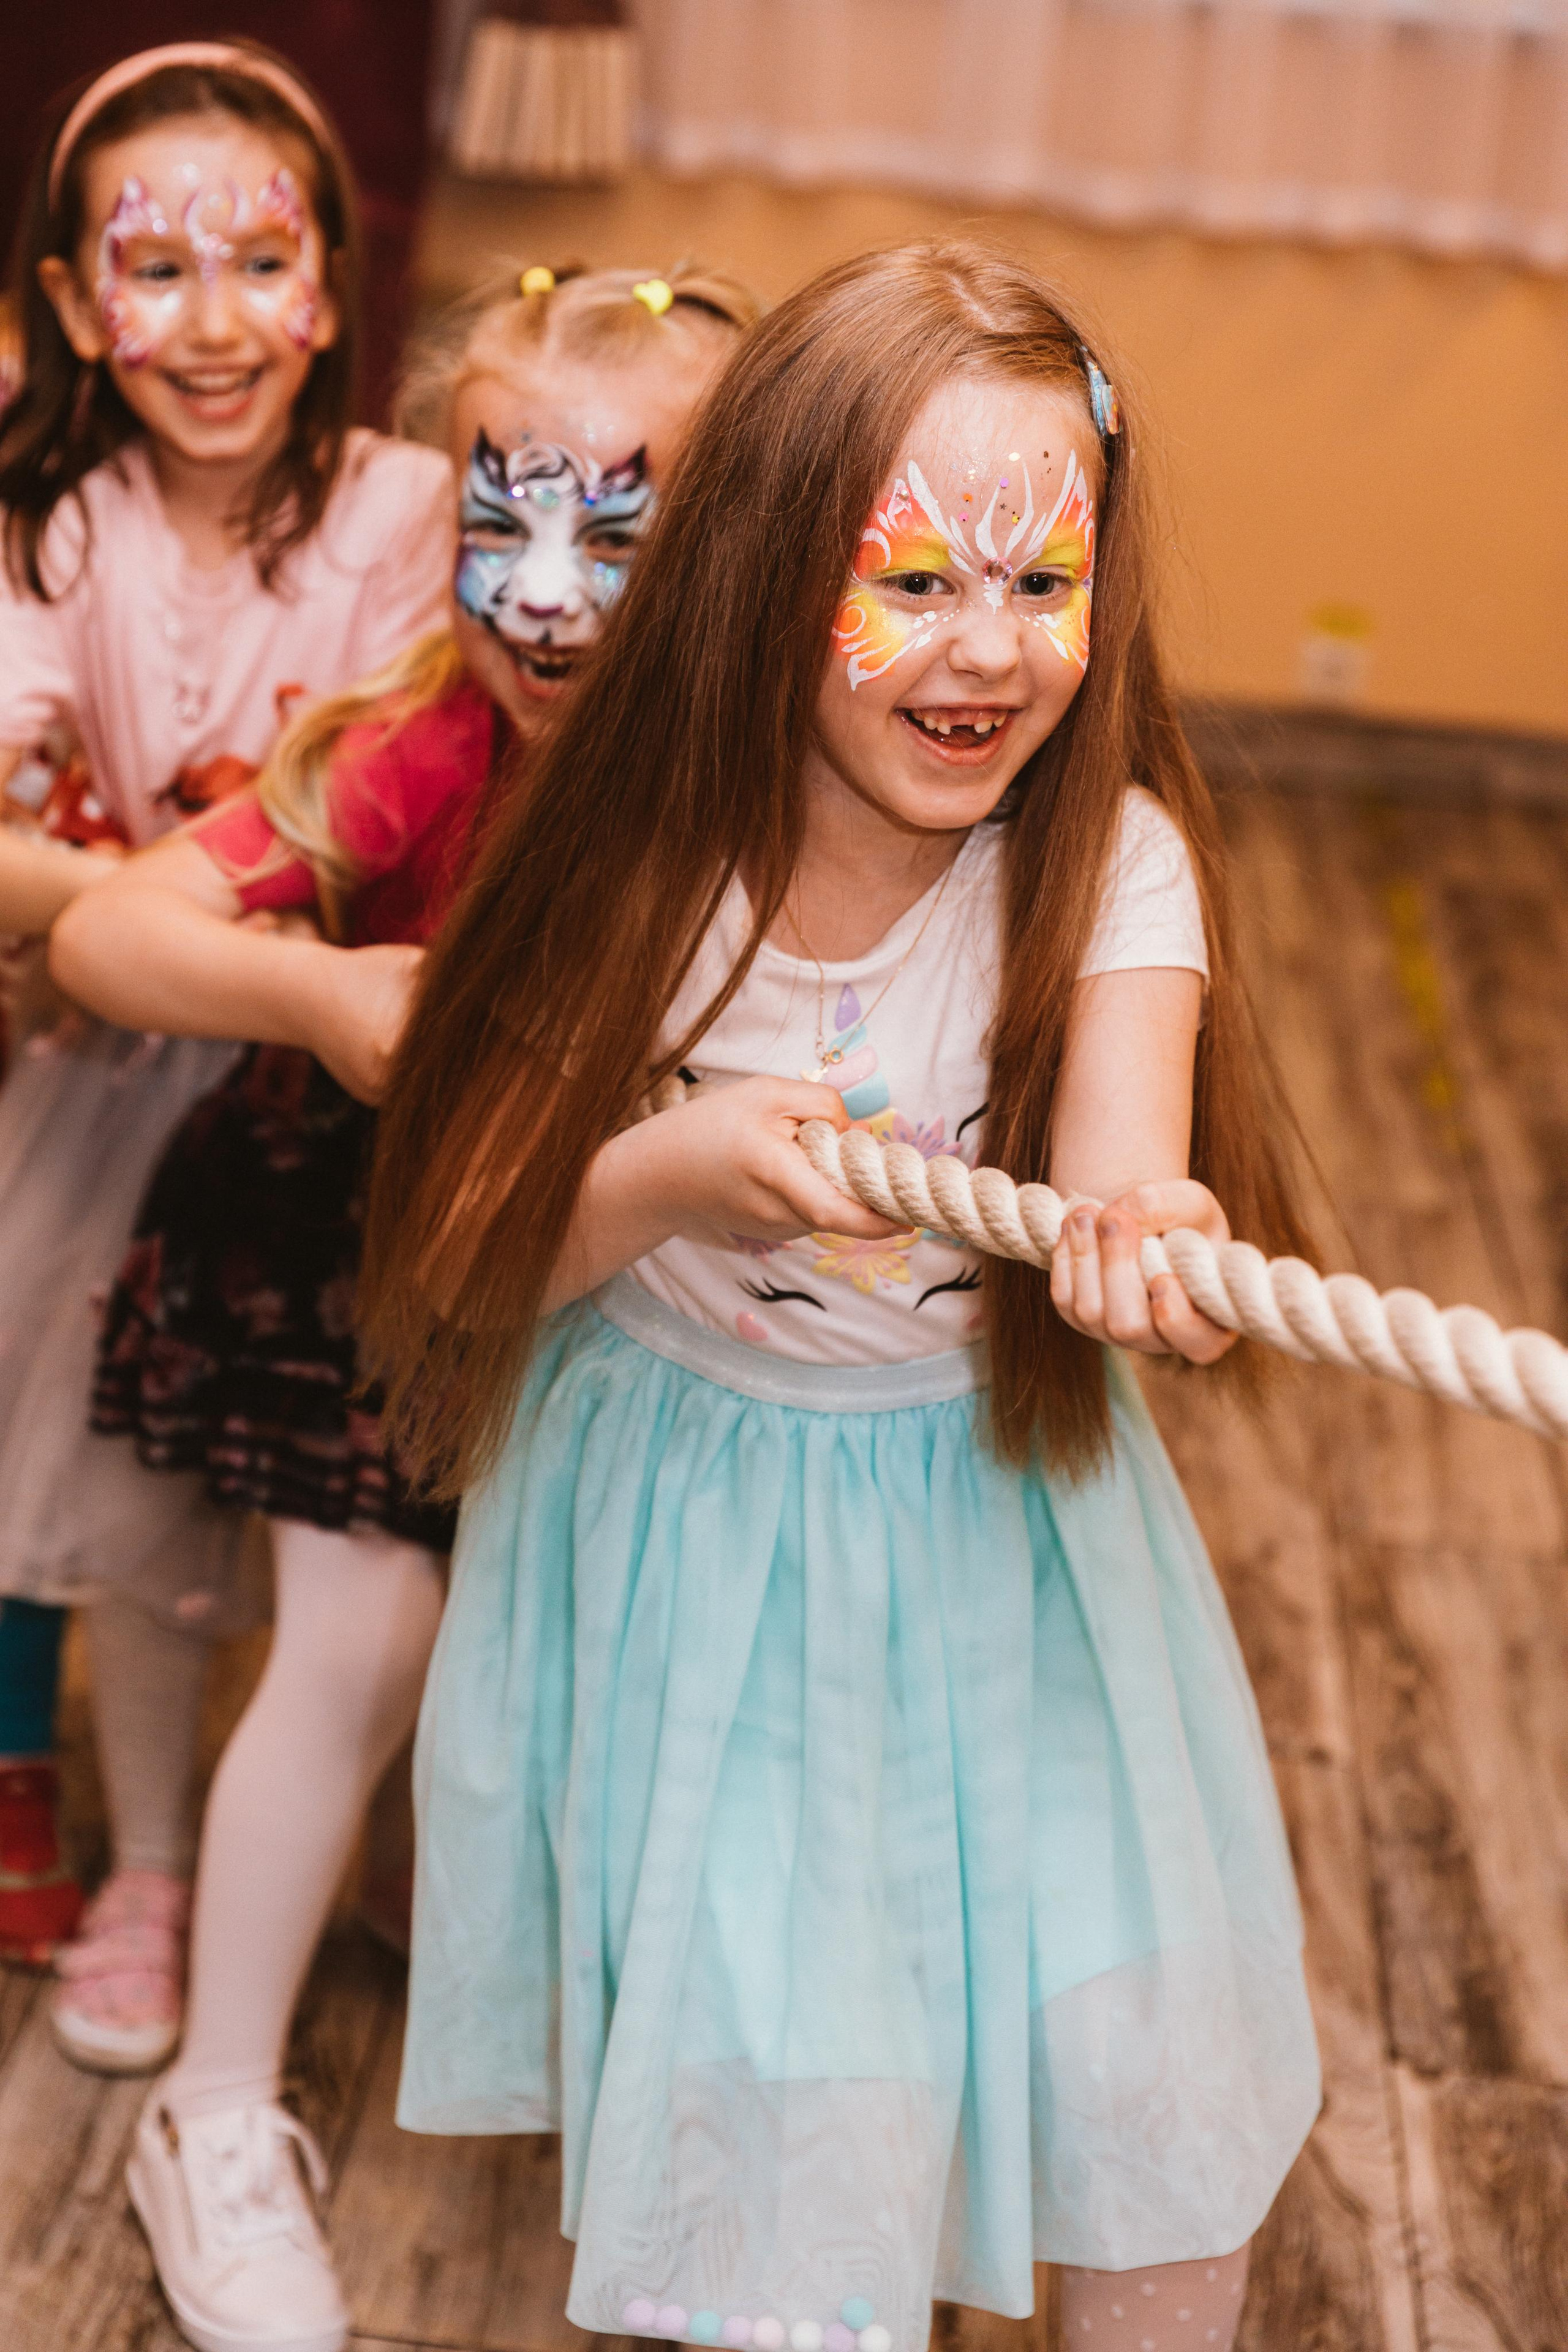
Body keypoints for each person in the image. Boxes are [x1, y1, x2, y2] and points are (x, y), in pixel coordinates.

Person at [360, 243, 1324, 2352]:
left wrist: (1153, 1256)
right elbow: (463, 1247)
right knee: (795, 2145)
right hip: (716, 1557)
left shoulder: (1110, 860)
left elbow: (1126, 1161)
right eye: (914, 577)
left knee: (1158, 2083)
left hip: (1011, 1536)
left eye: (1042, 576)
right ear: (757, 564)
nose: (991, 646)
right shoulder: (638, 864)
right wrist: (680, 1166)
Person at [50, 258, 756, 2352]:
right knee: (357, 1651)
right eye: (499, 515)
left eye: (616, 532)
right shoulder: (428, 746)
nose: (542, 598)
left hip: (624, 1298)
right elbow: (116, 941)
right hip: (366, 1263)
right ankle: (212, 2108)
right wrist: (326, 989)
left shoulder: (779, 774)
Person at [0, 40, 452, 1977]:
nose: (210, 321)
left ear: (334, 293)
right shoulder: (54, 532)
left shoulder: (419, 512)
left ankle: (277, 1840)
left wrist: (106, 925)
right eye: (153, 267)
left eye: (257, 263)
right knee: (69, 1442)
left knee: (293, 1497)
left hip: (346, 1110)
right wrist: (151, 936)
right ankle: (95, 1816)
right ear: (71, 309)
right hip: (95, 1087)